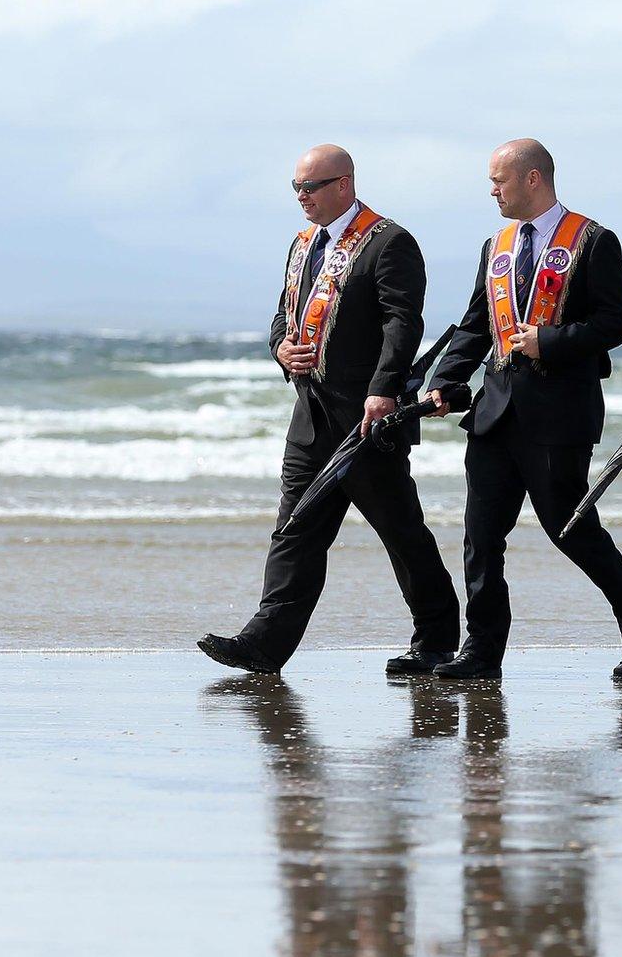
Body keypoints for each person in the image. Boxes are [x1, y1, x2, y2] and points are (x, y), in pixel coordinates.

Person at [197, 144, 460, 676]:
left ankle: (437, 639)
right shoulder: (303, 244)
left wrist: (384, 388)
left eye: (310, 188)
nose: (301, 198)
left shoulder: (389, 242)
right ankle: (265, 644)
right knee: (296, 530)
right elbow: (283, 313)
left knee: (401, 532)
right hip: (310, 416)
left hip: (368, 420)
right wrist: (280, 348)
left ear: (343, 184)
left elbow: (402, 323)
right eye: (296, 188)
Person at [421, 139, 622, 681]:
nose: (492, 191)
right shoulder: (497, 245)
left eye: (499, 181)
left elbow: (616, 322)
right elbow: (475, 324)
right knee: (481, 535)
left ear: (533, 179)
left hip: (559, 412)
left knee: (571, 529)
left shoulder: (593, 240)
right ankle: (482, 652)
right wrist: (445, 379)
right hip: (495, 410)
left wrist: (550, 341)